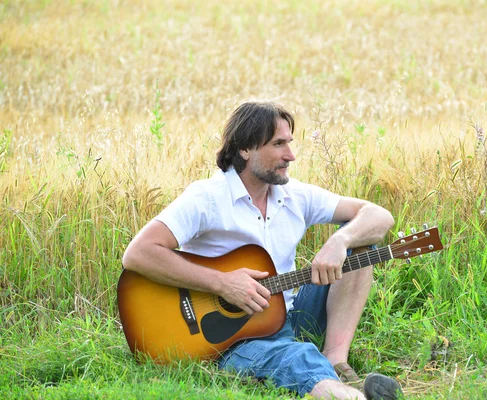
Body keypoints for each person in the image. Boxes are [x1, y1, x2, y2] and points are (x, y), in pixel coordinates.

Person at [122, 101, 402, 399]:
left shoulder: (295, 195)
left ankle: (335, 359)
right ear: (245, 148)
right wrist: (223, 284)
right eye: (278, 144)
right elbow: (138, 253)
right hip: (232, 338)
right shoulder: (207, 197)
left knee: (360, 247)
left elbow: (379, 215)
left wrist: (339, 242)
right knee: (296, 359)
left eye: (289, 143)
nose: (290, 156)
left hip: (291, 315)